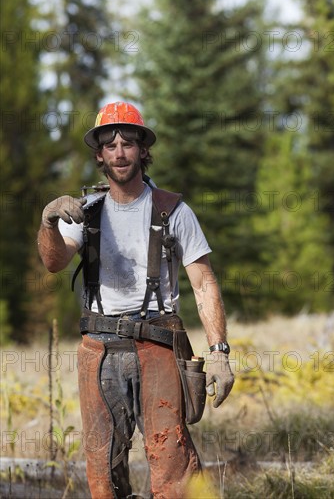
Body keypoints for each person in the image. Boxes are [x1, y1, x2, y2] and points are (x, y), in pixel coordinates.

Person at [37, 101, 234, 499]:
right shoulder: (86, 212)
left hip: (158, 345)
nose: (120, 152)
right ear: (100, 155)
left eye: (129, 143)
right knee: (102, 471)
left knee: (172, 467)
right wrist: (48, 221)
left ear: (143, 150)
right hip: (99, 350)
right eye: (110, 145)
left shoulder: (172, 211)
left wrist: (219, 352)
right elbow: (54, 262)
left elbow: (204, 283)